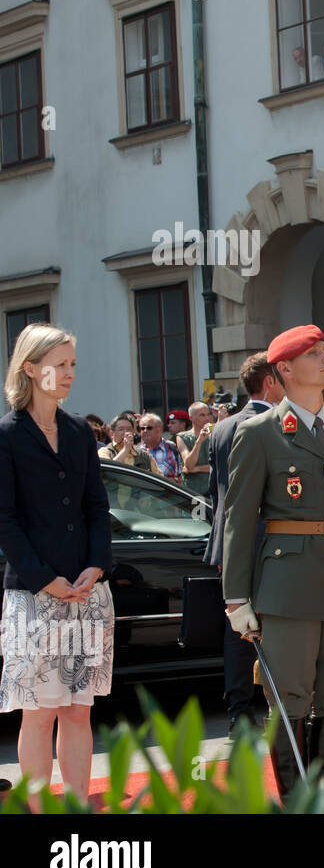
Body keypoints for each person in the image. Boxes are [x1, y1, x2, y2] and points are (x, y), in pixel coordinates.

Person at [221, 325, 324, 802]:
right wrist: (236, 597)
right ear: (285, 370)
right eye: (315, 353)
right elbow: (238, 518)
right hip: (288, 584)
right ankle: (297, 803)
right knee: (290, 697)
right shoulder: (259, 433)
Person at [0, 324, 113, 808]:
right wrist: (45, 579)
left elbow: (96, 507)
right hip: (33, 595)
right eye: (59, 364)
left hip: (86, 595)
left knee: (77, 712)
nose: (69, 373)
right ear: (30, 368)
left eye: (72, 364)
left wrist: (97, 566)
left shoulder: (77, 432)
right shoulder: (6, 435)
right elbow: (3, 520)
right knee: (38, 715)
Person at [204, 351, 285, 734]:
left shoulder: (221, 428)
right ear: (269, 381)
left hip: (228, 542)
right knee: (274, 626)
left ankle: (238, 712)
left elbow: (213, 495)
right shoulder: (269, 424)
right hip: (267, 541)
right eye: (281, 378)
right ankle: (276, 704)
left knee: (238, 631)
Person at [98, 414, 162, 475]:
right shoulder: (104, 451)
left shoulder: (144, 455)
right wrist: (126, 450)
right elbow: (107, 471)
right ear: (112, 433)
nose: (126, 433)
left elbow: (160, 479)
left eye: (129, 429)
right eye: (121, 429)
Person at [176, 401, 215, 495]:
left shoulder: (216, 433)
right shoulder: (182, 437)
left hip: (214, 489)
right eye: (202, 415)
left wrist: (197, 469)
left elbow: (220, 465)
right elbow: (189, 465)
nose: (207, 418)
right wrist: (199, 441)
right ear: (191, 418)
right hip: (194, 493)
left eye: (208, 414)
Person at [139, 412, 181, 480]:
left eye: (149, 428)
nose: (145, 431)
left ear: (160, 429)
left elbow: (180, 478)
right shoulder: (136, 451)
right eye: (142, 428)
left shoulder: (172, 448)